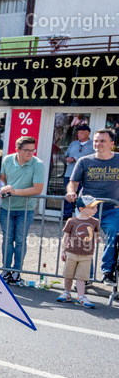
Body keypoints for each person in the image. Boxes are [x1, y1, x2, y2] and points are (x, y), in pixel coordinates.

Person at [66, 129, 119, 283]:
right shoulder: (84, 161)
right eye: (96, 141)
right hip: (88, 209)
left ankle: (107, 271)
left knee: (114, 234)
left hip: (111, 209)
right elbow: (73, 183)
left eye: (102, 141)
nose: (98, 144)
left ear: (112, 143)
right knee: (84, 241)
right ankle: (85, 277)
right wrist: (71, 192)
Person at [0, 136, 46, 284]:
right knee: (7, 239)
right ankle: (6, 270)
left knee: (20, 240)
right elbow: (2, 178)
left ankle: (17, 271)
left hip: (25, 209)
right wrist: (0, 188)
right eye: (27, 150)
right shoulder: (7, 160)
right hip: (7, 207)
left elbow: (37, 189)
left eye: (33, 150)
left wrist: (14, 191)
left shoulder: (38, 164)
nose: (30, 153)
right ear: (17, 150)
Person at [57, 195, 101, 309]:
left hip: (87, 254)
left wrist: (97, 239)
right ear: (81, 209)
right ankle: (66, 293)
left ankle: (81, 296)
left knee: (81, 277)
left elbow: (96, 235)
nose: (95, 210)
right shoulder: (72, 221)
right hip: (71, 252)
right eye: (92, 208)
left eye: (96, 207)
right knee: (68, 275)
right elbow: (66, 237)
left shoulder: (95, 222)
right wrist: (63, 251)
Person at [62, 124, 93, 219]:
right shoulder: (73, 144)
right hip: (70, 173)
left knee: (83, 197)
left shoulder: (93, 145)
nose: (79, 135)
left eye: (82, 133)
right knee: (69, 194)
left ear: (88, 133)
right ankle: (67, 215)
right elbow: (65, 156)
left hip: (85, 175)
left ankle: (83, 215)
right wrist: (68, 159)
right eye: (78, 133)